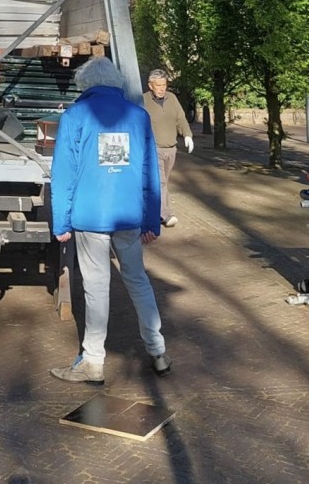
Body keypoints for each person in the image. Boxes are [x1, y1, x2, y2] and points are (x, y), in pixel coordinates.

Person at [49, 57, 170, 384]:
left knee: (96, 287)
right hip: (129, 215)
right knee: (138, 280)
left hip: (90, 218)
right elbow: (150, 174)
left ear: (85, 85)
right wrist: (151, 221)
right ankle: (157, 350)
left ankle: (93, 361)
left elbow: (63, 174)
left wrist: (60, 222)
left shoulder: (75, 116)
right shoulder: (139, 116)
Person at [144, 68, 194, 228]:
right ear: (150, 85)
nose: (161, 88)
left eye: (164, 85)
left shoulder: (172, 98)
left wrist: (187, 135)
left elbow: (181, 118)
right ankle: (166, 215)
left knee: (163, 182)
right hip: (154, 149)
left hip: (171, 149)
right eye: (158, 85)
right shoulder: (143, 100)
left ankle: (152, 212)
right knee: (161, 183)